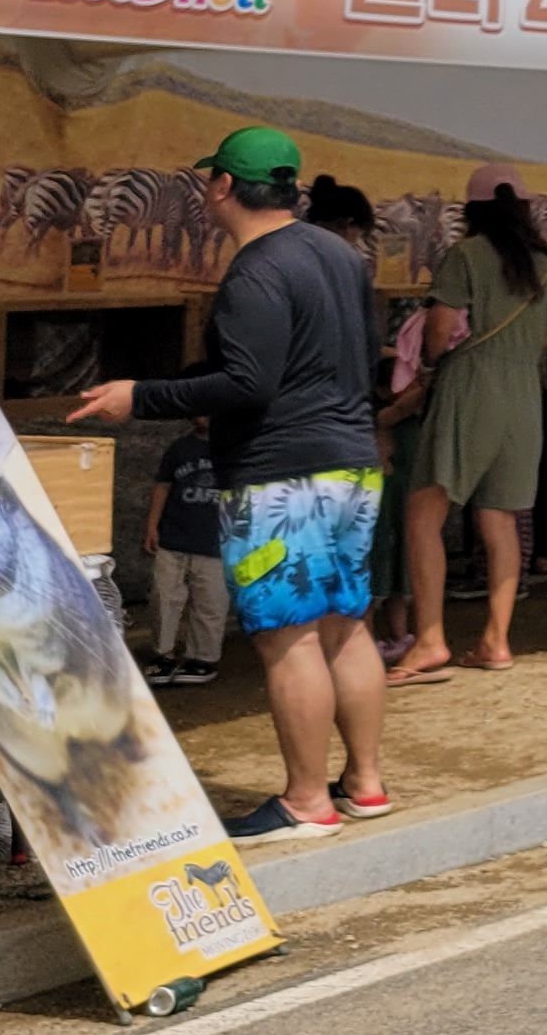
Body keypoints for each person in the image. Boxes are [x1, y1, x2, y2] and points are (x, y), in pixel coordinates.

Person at [68, 126, 389, 840]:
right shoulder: (338, 254)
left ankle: (307, 801)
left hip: (280, 477)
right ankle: (366, 784)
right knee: (345, 626)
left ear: (221, 186)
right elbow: (365, 352)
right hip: (350, 464)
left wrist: (139, 396)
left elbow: (248, 382)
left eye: (208, 179)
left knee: (287, 638)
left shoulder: (255, 271)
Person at [383, 180, 547, 680]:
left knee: (423, 514)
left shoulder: (465, 256)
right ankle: (496, 641)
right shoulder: (545, 263)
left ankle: (430, 640)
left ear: (473, 210)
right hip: (524, 395)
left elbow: (439, 332)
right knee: (500, 521)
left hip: (470, 387)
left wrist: (427, 364)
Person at [139, 426, 227, 687]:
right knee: (164, 596)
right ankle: (163, 654)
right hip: (173, 538)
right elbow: (162, 486)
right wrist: (152, 526)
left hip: (216, 542)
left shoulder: (235, 447)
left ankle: (203, 658)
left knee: (212, 602)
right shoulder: (180, 448)